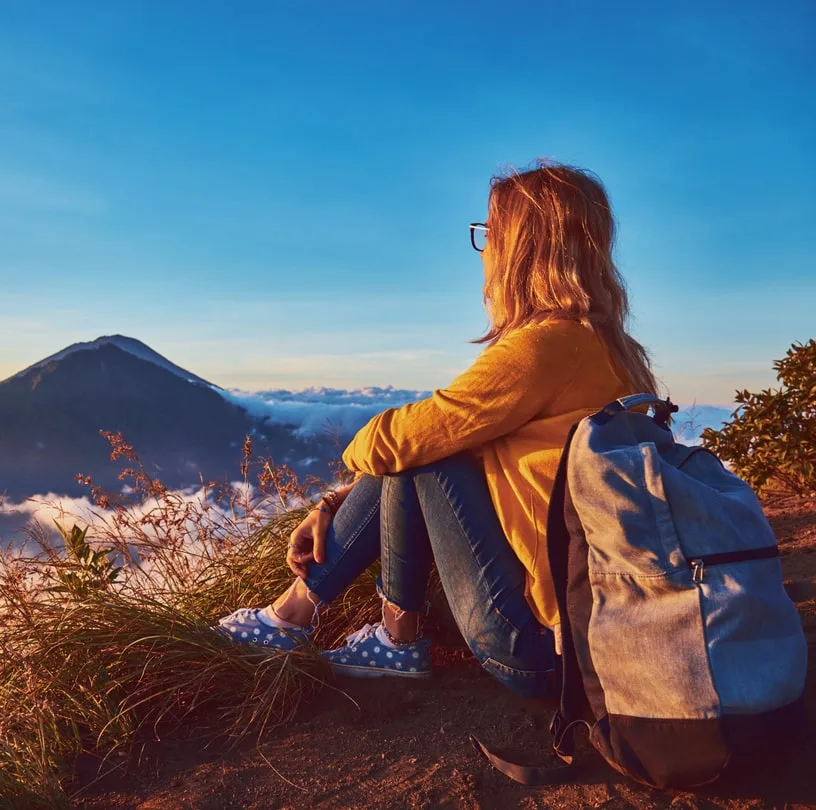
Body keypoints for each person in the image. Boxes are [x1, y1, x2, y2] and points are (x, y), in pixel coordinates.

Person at [218, 161, 659, 698]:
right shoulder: (615, 354)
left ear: (521, 247)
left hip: (544, 651)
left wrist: (352, 462)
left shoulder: (543, 348)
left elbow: (400, 440)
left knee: (423, 451)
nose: (486, 250)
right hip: (599, 634)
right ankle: (325, 625)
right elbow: (469, 451)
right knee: (428, 450)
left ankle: (324, 625)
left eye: (491, 234)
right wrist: (333, 504)